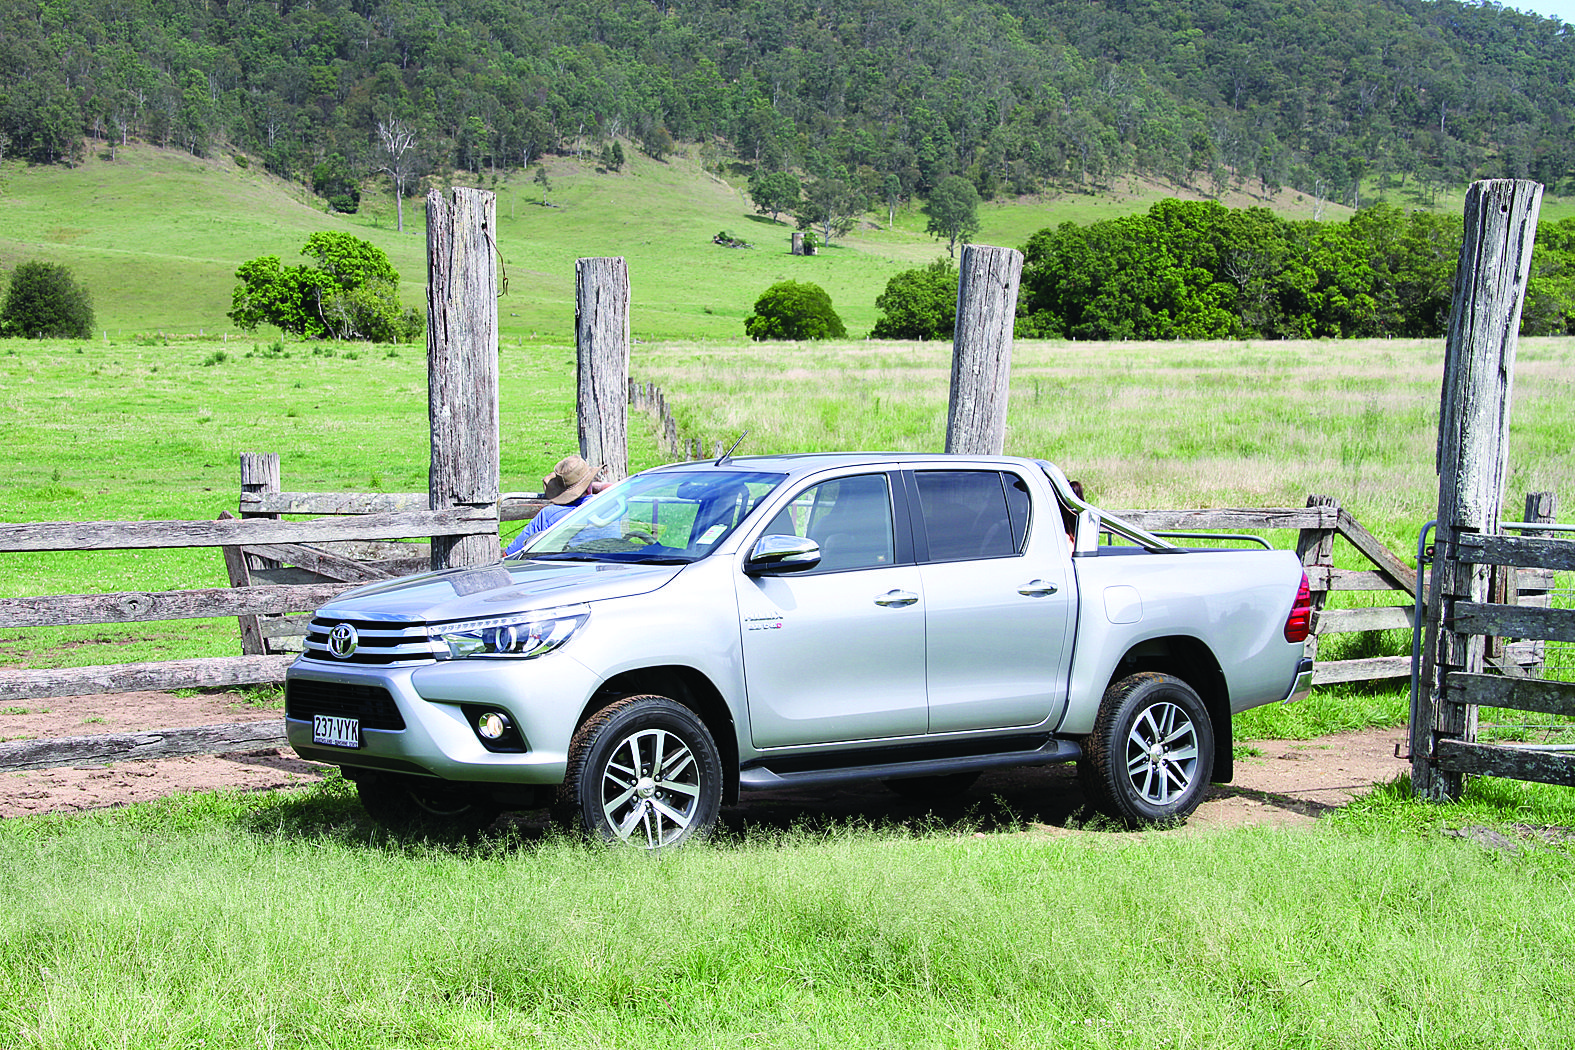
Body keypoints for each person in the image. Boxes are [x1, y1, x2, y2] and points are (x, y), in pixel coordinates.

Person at [503, 455, 608, 556]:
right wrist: (596, 486)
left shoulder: (548, 515)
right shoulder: (609, 502)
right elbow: (616, 487)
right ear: (589, 485)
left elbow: (509, 554)